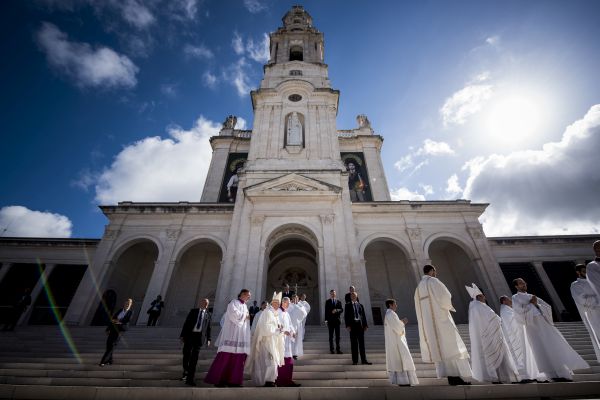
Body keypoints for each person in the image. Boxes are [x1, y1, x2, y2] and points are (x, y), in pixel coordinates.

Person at [512, 278, 588, 381]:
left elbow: (546, 306)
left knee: (553, 345)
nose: (524, 284)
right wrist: (531, 304)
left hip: (543, 323)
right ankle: (551, 376)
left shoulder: (532, 296)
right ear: (516, 286)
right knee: (541, 349)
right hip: (532, 326)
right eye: (521, 283)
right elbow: (518, 312)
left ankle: (563, 373)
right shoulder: (515, 298)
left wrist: (536, 304)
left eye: (524, 282)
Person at [414, 265, 472, 385]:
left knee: (442, 349)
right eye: (435, 271)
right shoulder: (433, 281)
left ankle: (451, 377)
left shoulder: (419, 287)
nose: (436, 274)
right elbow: (446, 296)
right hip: (441, 320)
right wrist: (448, 306)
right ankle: (456, 377)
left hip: (430, 324)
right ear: (431, 271)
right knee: (450, 347)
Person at [466, 284, 518, 384]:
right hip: (489, 336)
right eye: (483, 296)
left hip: (487, 336)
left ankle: (497, 377)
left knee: (493, 358)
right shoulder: (479, 306)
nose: (485, 298)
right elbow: (493, 318)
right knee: (496, 357)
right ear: (480, 296)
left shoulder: (475, 307)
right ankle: (498, 377)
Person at [204, 289, 252, 387]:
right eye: (248, 295)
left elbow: (245, 321)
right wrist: (245, 316)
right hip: (231, 335)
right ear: (242, 294)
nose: (249, 297)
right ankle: (219, 380)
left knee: (238, 360)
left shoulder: (245, 306)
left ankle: (233, 381)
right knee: (225, 358)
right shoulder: (233, 303)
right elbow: (233, 315)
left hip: (240, 337)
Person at [499, 296, 544, 383]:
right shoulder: (505, 310)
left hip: (518, 335)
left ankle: (530, 374)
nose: (511, 300)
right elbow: (512, 321)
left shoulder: (508, 309)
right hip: (514, 337)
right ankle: (523, 375)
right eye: (508, 299)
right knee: (519, 355)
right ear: (504, 301)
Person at [245, 292, 285, 387]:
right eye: (277, 303)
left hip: (273, 341)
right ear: (273, 303)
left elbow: (276, 327)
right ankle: (266, 380)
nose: (278, 306)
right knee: (269, 361)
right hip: (266, 341)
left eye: (279, 304)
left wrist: (280, 329)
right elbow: (265, 327)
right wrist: (277, 329)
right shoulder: (267, 312)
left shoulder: (274, 314)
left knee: (272, 361)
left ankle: (270, 380)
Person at [384, 299, 418, 386]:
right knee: (401, 360)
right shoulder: (391, 314)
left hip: (394, 341)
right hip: (397, 342)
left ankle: (403, 381)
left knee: (400, 362)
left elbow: (395, 325)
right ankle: (404, 381)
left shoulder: (388, 314)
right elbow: (398, 328)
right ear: (390, 305)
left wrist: (400, 323)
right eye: (395, 304)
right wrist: (403, 322)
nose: (396, 305)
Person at [571, 264, 600, 362]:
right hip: (592, 315)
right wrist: (597, 299)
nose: (587, 273)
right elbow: (583, 300)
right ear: (578, 272)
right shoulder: (575, 285)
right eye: (584, 271)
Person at [180, 298, 212, 386]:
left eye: (207, 303)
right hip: (190, 336)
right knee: (186, 354)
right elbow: (186, 323)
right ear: (201, 303)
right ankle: (186, 370)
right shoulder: (193, 311)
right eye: (204, 302)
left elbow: (208, 328)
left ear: (208, 304)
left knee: (194, 359)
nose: (205, 304)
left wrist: (209, 339)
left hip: (199, 338)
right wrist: (182, 335)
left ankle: (190, 379)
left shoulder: (208, 314)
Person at [99, 298, 133, 366]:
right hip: (114, 328)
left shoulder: (130, 312)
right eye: (126, 303)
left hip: (121, 329)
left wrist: (119, 321)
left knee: (112, 344)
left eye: (129, 304)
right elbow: (113, 319)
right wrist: (108, 329)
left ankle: (103, 361)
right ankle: (110, 360)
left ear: (130, 305)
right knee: (109, 343)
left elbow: (127, 320)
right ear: (124, 303)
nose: (127, 305)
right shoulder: (120, 310)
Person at [276, 297, 301, 387]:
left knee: (289, 361)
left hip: (287, 341)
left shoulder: (286, 313)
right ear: (283, 302)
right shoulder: (277, 312)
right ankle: (281, 381)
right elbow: (275, 325)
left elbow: (290, 325)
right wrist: (282, 331)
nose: (288, 305)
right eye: (287, 303)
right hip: (280, 340)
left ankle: (288, 380)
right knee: (282, 361)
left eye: (289, 303)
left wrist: (293, 332)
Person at [344, 291, 371, 365]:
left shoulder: (360, 305)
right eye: (352, 296)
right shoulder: (347, 305)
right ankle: (355, 361)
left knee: (362, 344)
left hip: (360, 326)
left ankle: (364, 360)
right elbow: (346, 316)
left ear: (357, 296)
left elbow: (363, 316)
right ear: (350, 297)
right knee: (354, 344)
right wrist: (347, 326)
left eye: (354, 296)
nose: (353, 297)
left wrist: (365, 325)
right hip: (352, 326)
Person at [288, 295, 308, 359]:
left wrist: (297, 307)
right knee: (290, 339)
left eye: (296, 298)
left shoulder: (300, 305)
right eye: (294, 298)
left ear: (298, 299)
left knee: (296, 339)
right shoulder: (289, 305)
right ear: (292, 299)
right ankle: (289, 352)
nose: (295, 299)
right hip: (290, 325)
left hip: (298, 324)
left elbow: (304, 313)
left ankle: (295, 353)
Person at [325, 289, 343, 354]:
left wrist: (336, 310)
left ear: (335, 294)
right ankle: (331, 350)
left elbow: (341, 309)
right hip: (330, 321)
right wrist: (326, 320)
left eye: (334, 293)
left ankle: (338, 349)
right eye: (332, 293)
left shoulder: (338, 301)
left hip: (337, 321)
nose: (333, 294)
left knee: (338, 336)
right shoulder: (327, 301)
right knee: (331, 336)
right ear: (330, 294)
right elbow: (326, 311)